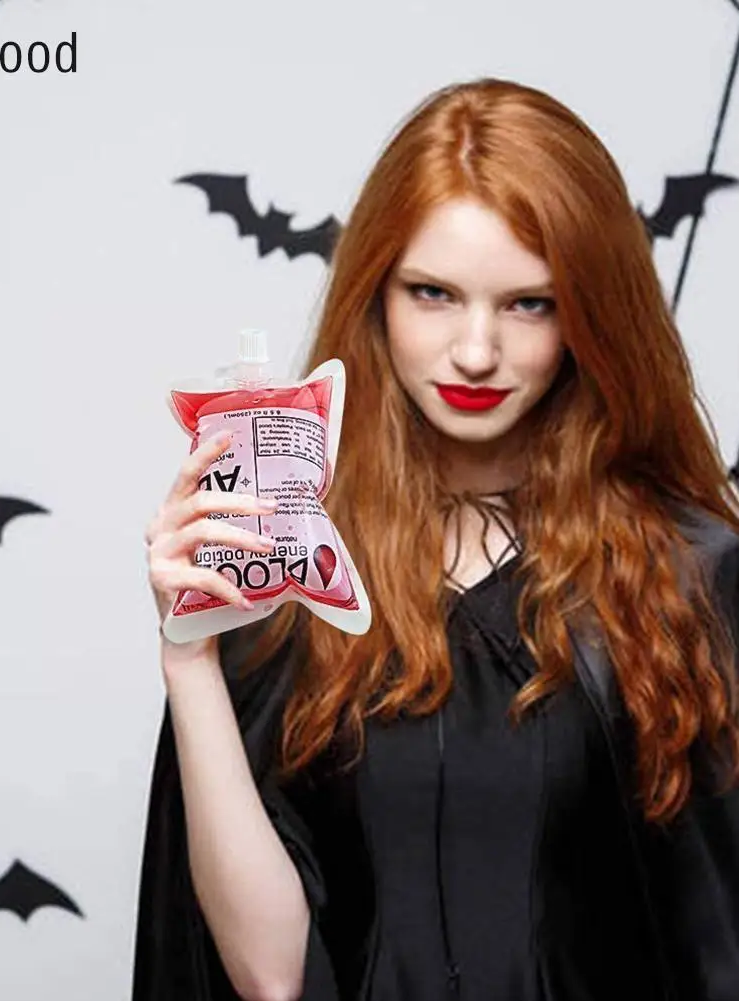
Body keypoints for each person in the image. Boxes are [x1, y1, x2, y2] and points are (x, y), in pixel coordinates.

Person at [133, 77, 739, 1001]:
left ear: (589, 314)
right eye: (433, 294)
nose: (475, 351)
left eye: (529, 303)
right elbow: (268, 975)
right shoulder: (293, 567)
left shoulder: (686, 575)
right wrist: (190, 660)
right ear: (374, 295)